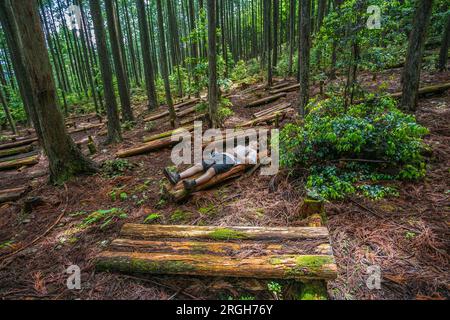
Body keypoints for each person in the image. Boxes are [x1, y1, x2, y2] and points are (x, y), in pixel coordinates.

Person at [164, 141, 258, 191]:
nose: (253, 142)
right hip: (220, 156)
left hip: (230, 160)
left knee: (211, 171)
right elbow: (229, 151)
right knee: (198, 166)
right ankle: (176, 177)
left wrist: (234, 154)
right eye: (252, 141)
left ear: (256, 147)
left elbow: (247, 161)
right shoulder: (241, 146)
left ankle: (192, 184)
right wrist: (217, 151)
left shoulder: (253, 152)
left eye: (255, 143)